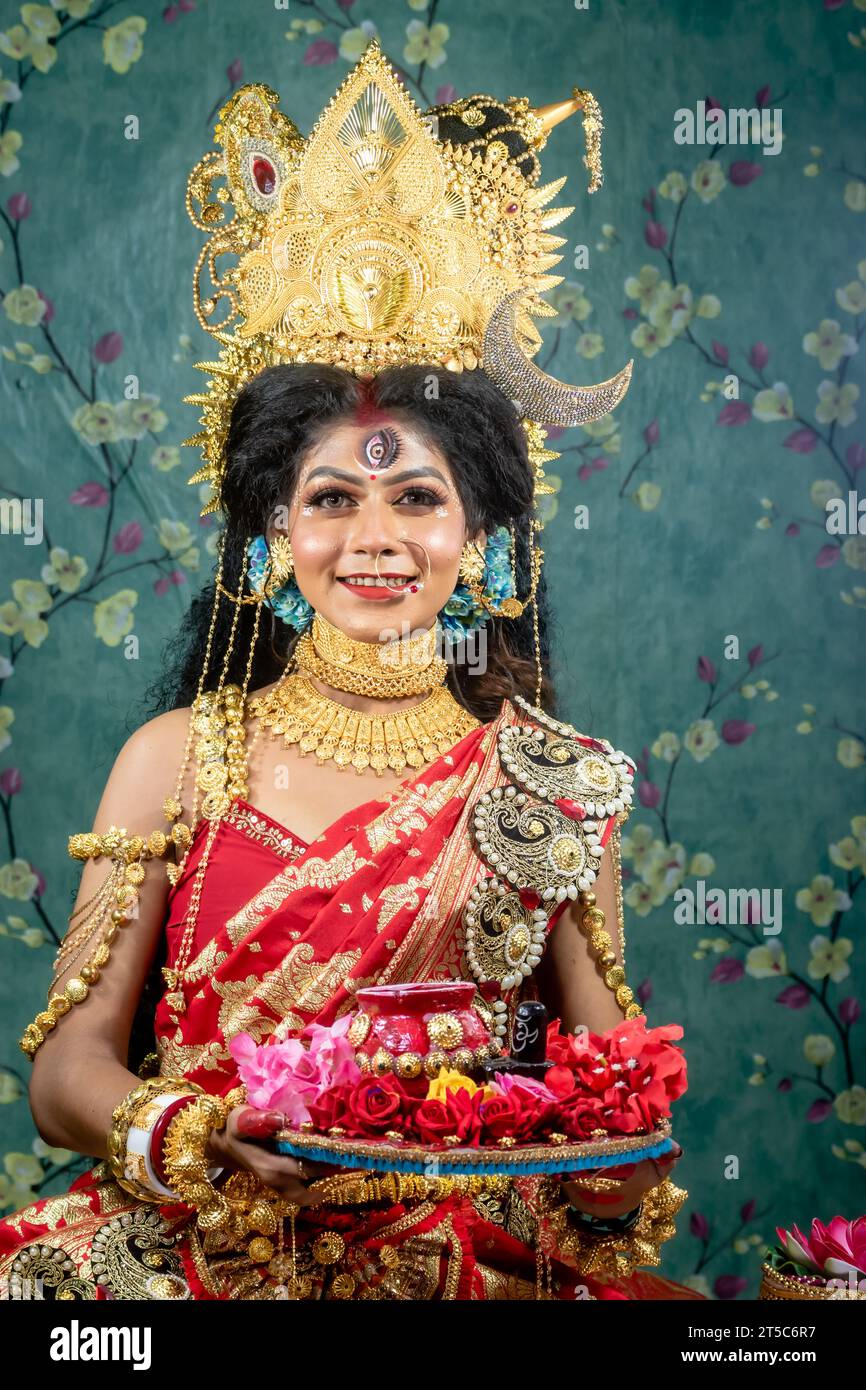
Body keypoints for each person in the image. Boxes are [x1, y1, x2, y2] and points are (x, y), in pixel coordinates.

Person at [0, 40, 703, 1301]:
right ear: (273, 535)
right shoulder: (177, 757)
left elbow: (611, 1091)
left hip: (453, 1259)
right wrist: (194, 1137)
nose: (373, 538)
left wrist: (612, 1167)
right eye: (331, 497)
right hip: (194, 1256)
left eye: (416, 498)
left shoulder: (553, 785)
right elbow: (66, 1073)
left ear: (480, 542)